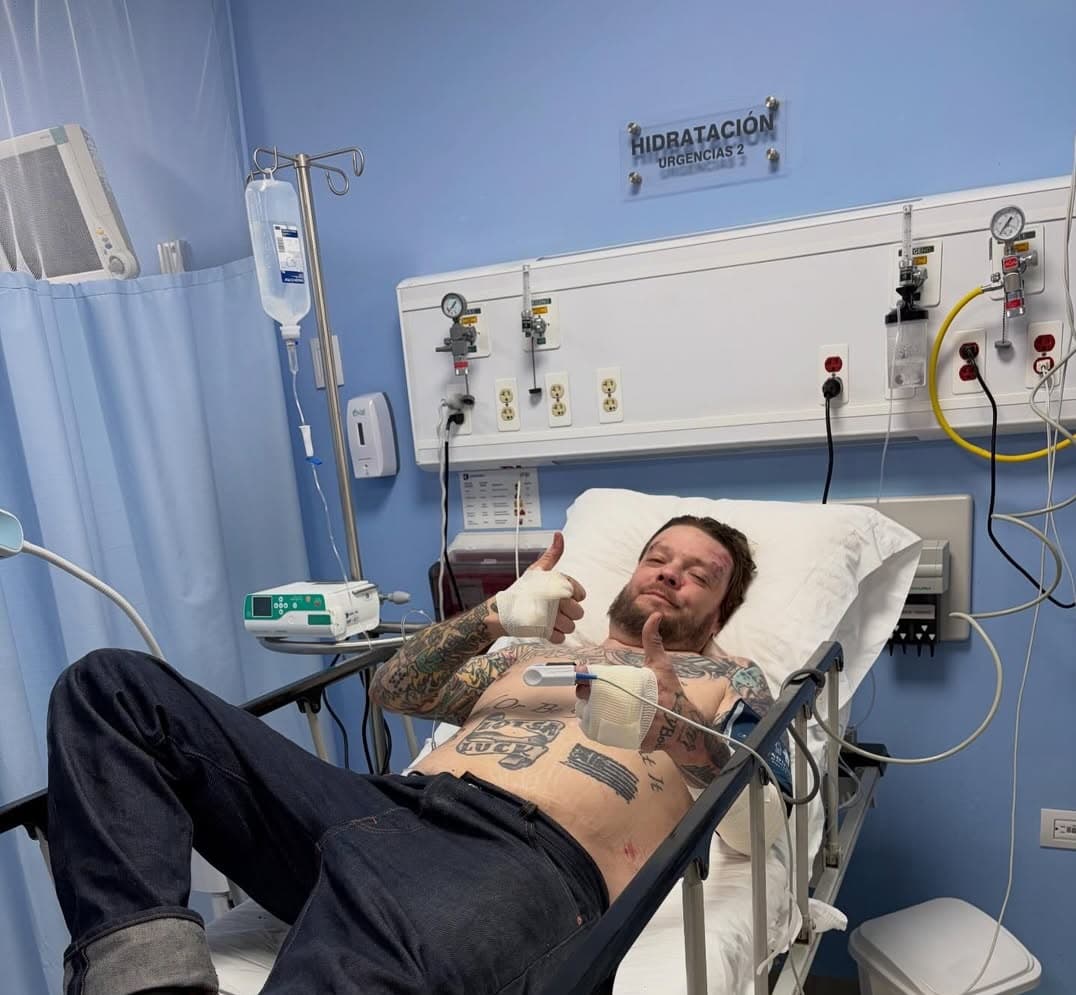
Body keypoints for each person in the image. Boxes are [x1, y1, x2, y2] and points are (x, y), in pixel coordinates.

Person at [46, 514, 770, 995]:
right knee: (112, 689)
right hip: (383, 805)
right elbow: (396, 688)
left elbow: (767, 792)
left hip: (522, 855)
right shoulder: (531, 653)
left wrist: (676, 726)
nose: (669, 573)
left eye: (698, 574)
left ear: (722, 609)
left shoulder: (726, 678)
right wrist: (491, 618)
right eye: (657, 557)